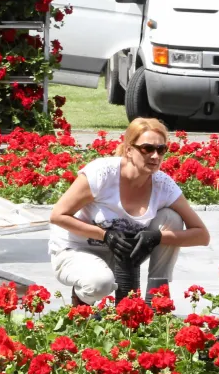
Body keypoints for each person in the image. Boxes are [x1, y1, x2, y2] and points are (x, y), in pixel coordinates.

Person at [48, 118, 210, 305]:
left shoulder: (163, 185)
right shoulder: (102, 174)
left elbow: (202, 235)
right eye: (147, 149)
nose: (155, 156)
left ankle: (156, 300)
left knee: (171, 218)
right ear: (129, 150)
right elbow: (57, 216)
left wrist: (157, 237)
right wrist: (104, 234)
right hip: (76, 250)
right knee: (99, 283)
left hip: (121, 254)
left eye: (161, 149)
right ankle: (82, 300)